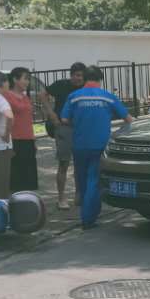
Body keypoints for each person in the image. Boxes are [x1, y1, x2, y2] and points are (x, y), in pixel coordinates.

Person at [60, 64, 132, 229]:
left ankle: (88, 213)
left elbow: (64, 119)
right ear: (100, 79)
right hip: (100, 145)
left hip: (79, 144)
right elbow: (128, 119)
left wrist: (78, 122)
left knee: (82, 180)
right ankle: (88, 218)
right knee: (94, 180)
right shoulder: (108, 97)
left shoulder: (74, 97)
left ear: (84, 79)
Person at [42, 62, 86, 210]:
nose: (79, 78)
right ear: (71, 75)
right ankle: (61, 197)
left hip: (80, 128)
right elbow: (43, 94)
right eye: (77, 75)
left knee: (80, 163)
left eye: (82, 76)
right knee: (64, 163)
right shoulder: (61, 85)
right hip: (63, 127)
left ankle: (79, 195)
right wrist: (51, 113)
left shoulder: (85, 88)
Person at [2, 66, 38, 191]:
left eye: (29, 79)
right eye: (25, 78)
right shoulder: (7, 96)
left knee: (28, 176)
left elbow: (28, 120)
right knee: (15, 176)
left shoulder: (25, 97)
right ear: (15, 79)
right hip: (14, 139)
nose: (27, 82)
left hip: (28, 140)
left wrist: (33, 139)